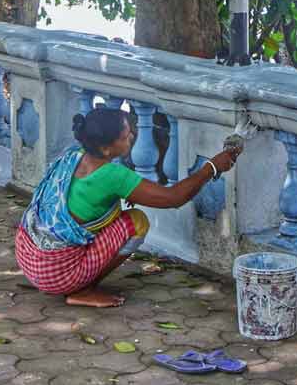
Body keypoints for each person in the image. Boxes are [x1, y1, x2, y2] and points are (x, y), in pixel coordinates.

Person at [15, 107, 240, 308]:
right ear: (105, 149)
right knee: (136, 221)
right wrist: (211, 167)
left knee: (116, 215)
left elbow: (88, 200)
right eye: (125, 136)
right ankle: (82, 290)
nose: (132, 137)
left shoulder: (73, 155)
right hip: (55, 275)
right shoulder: (113, 176)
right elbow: (174, 197)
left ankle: (74, 280)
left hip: (29, 255)